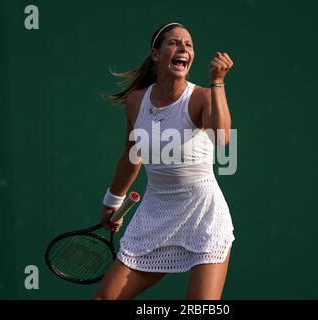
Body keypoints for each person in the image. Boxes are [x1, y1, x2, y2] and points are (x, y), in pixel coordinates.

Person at [93, 22, 235, 300]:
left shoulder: (202, 97)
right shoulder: (136, 101)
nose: (183, 48)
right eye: (174, 42)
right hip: (155, 212)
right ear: (156, 55)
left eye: (189, 44)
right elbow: (131, 156)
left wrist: (217, 82)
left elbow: (222, 138)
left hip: (203, 214)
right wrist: (112, 202)